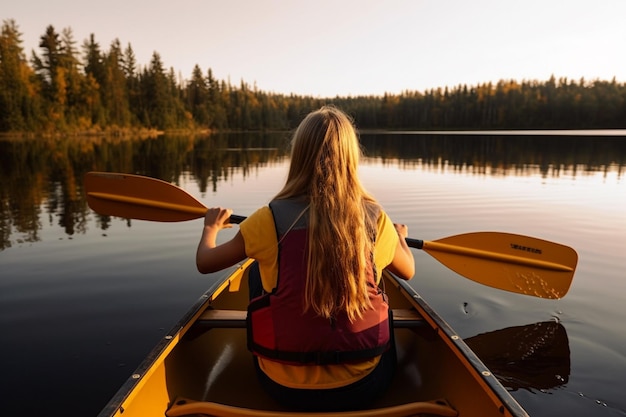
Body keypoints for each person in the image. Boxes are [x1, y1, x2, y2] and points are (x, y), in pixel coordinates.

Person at [196, 105, 415, 411]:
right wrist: (400, 238)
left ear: (298, 156)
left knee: (258, 271)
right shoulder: (375, 219)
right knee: (377, 281)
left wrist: (211, 228)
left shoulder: (267, 219)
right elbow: (408, 271)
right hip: (363, 387)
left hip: (282, 388)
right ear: (352, 158)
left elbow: (205, 262)